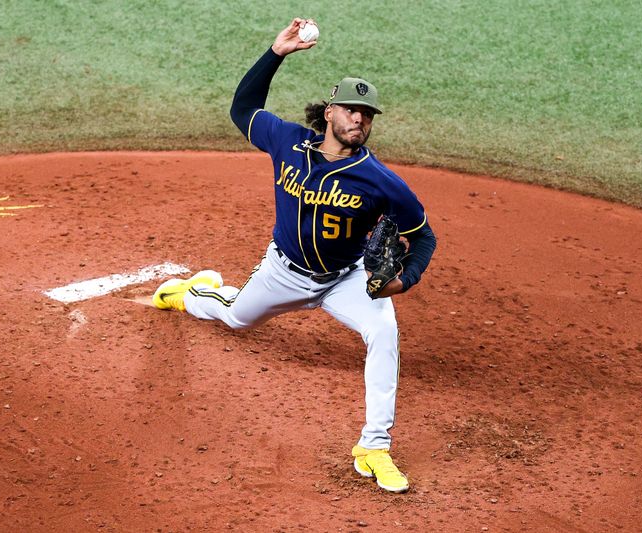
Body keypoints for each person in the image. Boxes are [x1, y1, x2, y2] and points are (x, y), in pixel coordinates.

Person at [152, 18, 436, 493]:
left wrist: (402, 281)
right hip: (283, 273)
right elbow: (243, 108)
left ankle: (374, 447)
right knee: (236, 317)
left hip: (346, 279)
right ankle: (194, 293)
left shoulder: (383, 181)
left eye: (367, 115)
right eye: (351, 110)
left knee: (384, 330)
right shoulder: (287, 142)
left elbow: (423, 237)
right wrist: (275, 53)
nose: (359, 121)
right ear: (329, 112)